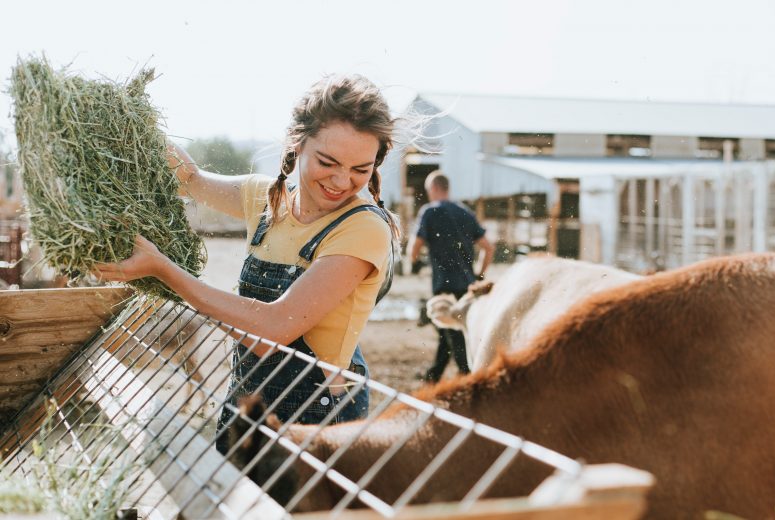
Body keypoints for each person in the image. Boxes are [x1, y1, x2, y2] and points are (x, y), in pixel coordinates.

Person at [93, 74, 402, 453]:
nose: (342, 181)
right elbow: (189, 179)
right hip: (248, 402)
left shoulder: (364, 228)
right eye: (328, 161)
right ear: (297, 144)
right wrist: (127, 120)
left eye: (361, 169)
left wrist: (164, 269)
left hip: (318, 421)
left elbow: (272, 330)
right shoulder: (266, 198)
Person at [409, 171, 494, 382]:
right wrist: (479, 274)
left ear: (434, 189)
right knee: (448, 331)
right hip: (467, 285)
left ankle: (467, 376)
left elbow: (414, 247)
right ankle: (434, 374)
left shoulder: (429, 212)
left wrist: (415, 263)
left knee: (453, 334)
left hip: (443, 284)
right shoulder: (465, 212)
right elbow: (488, 247)